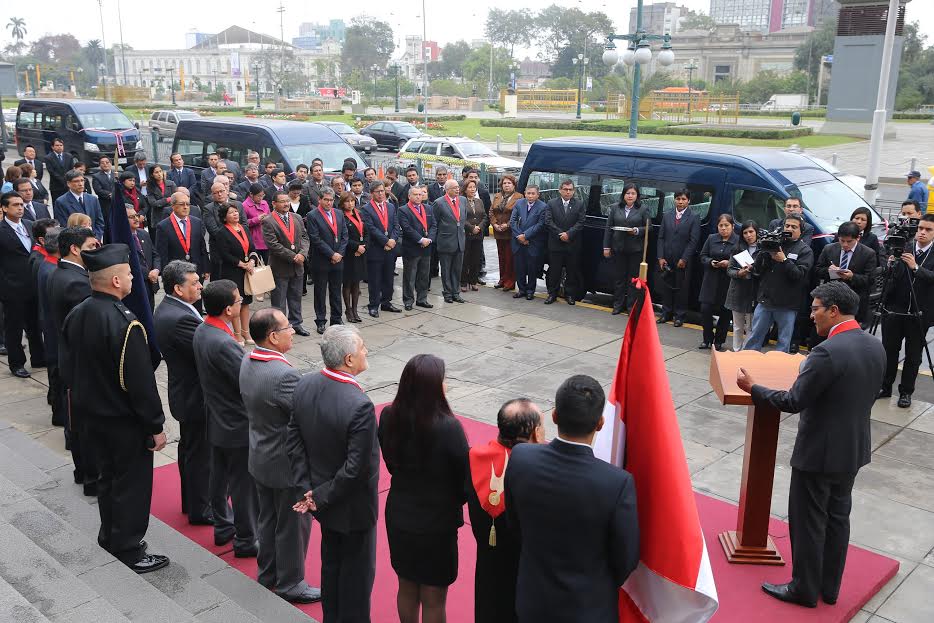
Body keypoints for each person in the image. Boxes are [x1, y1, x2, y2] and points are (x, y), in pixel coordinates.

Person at [736, 281, 885, 608]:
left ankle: (803, 588)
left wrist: (754, 388)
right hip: (853, 449)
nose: (811, 314)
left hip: (819, 453)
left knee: (809, 522)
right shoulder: (875, 346)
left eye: (816, 308)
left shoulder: (826, 352)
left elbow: (793, 401)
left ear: (834, 310)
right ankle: (829, 588)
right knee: (837, 519)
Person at [61, 243, 169, 574]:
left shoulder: (78, 312)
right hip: (123, 422)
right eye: (129, 274)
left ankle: (109, 535)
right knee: (131, 485)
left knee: (107, 479)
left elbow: (67, 368)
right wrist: (155, 425)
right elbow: (140, 384)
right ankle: (129, 548)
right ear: (116, 281)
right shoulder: (126, 323)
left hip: (91, 417)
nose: (134, 278)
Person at [505, 375, 639, 622]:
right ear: (600, 423)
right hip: (588, 609)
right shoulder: (616, 483)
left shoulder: (521, 457)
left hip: (534, 601)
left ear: (554, 416)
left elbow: (514, 525)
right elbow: (626, 559)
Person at [290, 325, 379, 623]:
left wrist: (308, 490)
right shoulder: (359, 404)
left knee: (331, 568)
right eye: (363, 347)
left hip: (321, 500)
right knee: (356, 579)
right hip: (350, 507)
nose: (367, 351)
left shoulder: (305, 383)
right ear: (349, 359)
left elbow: (293, 440)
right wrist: (319, 496)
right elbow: (358, 467)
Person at [379, 354, 469, 623]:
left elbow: (390, 462)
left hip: (400, 514)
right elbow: (465, 479)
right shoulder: (449, 427)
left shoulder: (389, 415)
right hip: (436, 523)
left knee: (406, 585)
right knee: (433, 596)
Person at [239, 309, 321, 604]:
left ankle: (269, 574)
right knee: (292, 526)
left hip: (261, 456)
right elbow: (307, 416)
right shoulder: (283, 374)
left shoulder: (248, 359)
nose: (293, 331)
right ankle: (291, 583)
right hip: (285, 465)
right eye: (288, 327)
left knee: (268, 520)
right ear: (273, 337)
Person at [192, 279, 259, 557]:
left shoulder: (204, 329)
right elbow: (246, 381)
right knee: (242, 486)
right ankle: (246, 539)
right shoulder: (222, 342)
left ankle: (223, 526)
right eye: (238, 299)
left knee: (219, 477)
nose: (242, 302)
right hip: (235, 422)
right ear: (228, 309)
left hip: (217, 417)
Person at [467, 398, 544, 623]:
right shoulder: (541, 470)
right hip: (526, 568)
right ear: (535, 432)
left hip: (489, 561)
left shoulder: (472, 457)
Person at [152, 260, 212, 525]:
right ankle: (201, 509)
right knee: (199, 455)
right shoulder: (179, 318)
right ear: (178, 288)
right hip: (195, 395)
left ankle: (192, 502)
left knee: (190, 449)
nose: (200, 286)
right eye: (194, 283)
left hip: (187, 392)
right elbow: (208, 351)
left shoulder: (172, 308)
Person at [48, 226, 99, 492]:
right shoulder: (77, 282)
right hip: (82, 364)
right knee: (86, 425)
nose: (95, 252)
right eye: (91, 247)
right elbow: (87, 329)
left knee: (78, 422)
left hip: (70, 359)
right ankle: (91, 478)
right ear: (75, 249)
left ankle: (83, 472)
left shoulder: (62, 272)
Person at [877, 213, 934, 408]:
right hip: (894, 309)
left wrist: (916, 267)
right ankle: (885, 386)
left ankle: (906, 392)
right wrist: (891, 264)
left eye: (928, 230)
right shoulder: (904, 246)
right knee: (889, 351)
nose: (922, 232)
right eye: (920, 228)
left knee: (913, 356)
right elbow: (888, 275)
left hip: (920, 313)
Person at [743, 215, 814, 353]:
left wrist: (785, 260)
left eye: (794, 227)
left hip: (787, 305)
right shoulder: (774, 243)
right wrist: (762, 253)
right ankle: (747, 362)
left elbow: (799, 275)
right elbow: (759, 269)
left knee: (783, 342)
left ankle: (779, 366)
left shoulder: (805, 250)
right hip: (765, 301)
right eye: (787, 226)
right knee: (754, 337)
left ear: (801, 231)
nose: (789, 229)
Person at [0, 191, 45, 378]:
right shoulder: (2, 230)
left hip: (33, 284)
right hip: (12, 288)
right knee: (14, 328)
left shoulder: (28, 225)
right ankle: (17, 363)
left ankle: (39, 357)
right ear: (4, 208)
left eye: (21, 204)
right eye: (15, 205)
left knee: (35, 325)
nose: (20, 208)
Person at [263, 190, 311, 335]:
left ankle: (296, 323)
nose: (286, 204)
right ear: (274, 203)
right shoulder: (268, 221)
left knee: (296, 297)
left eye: (287, 201)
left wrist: (302, 254)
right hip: (280, 266)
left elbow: (305, 237)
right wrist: (293, 256)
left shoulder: (296, 217)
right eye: (282, 201)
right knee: (279, 300)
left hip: (298, 265)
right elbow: (273, 244)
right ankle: (280, 327)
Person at [816, 221, 877, 329]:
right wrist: (829, 271)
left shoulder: (868, 253)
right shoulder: (829, 249)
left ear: (858, 238)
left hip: (854, 301)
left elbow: (870, 280)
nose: (845, 244)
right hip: (831, 299)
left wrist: (852, 277)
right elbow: (817, 270)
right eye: (842, 240)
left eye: (849, 241)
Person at [154, 192, 209, 310]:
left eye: (188, 204)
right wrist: (165, 275)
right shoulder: (163, 226)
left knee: (196, 303)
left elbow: (202, 247)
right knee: (180, 305)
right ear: (173, 206)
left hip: (195, 270)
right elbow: (162, 253)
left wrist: (206, 268)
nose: (185, 207)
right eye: (181, 204)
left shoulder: (196, 222)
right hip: (177, 274)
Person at [213, 203, 257, 345]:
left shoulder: (244, 228)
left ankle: (246, 331)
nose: (235, 214)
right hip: (232, 271)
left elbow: (252, 248)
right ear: (224, 217)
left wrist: (251, 261)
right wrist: (242, 264)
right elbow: (224, 254)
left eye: (236, 211)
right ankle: (237, 334)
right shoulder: (222, 232)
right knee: (236, 303)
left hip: (247, 271)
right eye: (231, 212)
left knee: (246, 303)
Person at [656, 189, 701, 325]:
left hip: (683, 259)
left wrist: (684, 258)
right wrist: (660, 257)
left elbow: (693, 240)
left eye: (683, 199)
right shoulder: (667, 215)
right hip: (667, 258)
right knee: (666, 286)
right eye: (678, 199)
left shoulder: (694, 217)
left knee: (682, 288)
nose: (680, 202)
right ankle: (666, 313)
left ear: (689, 201)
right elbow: (661, 237)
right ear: (674, 199)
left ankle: (680, 315)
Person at [603, 184, 649, 315]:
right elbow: (609, 228)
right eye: (628, 193)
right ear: (623, 195)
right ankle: (617, 305)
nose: (630, 196)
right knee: (619, 278)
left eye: (633, 193)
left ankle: (631, 307)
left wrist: (637, 230)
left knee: (633, 279)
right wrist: (606, 247)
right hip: (618, 248)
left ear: (637, 196)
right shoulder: (615, 208)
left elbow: (649, 227)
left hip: (635, 250)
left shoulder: (643, 209)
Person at [307, 188, 348, 333]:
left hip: (338, 259)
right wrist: (331, 254)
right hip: (321, 260)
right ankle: (320, 320)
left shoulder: (339, 213)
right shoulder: (312, 215)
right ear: (320, 200)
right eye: (326, 200)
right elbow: (315, 239)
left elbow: (344, 236)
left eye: (331, 200)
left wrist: (340, 254)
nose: (329, 203)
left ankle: (336, 318)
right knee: (320, 292)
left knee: (336, 290)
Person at [360, 181, 402, 317]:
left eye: (382, 191)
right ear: (372, 193)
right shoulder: (366, 209)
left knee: (388, 278)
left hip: (390, 249)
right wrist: (385, 241)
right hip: (376, 248)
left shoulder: (390, 206)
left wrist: (393, 240)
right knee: (375, 279)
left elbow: (396, 225)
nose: (381, 194)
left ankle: (386, 302)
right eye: (377, 191)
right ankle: (373, 305)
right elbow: (370, 228)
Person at [698, 214, 739, 350]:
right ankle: (707, 339)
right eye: (721, 225)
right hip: (711, 279)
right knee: (705, 309)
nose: (723, 228)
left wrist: (729, 263)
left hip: (728, 281)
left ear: (733, 226)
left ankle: (719, 340)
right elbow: (703, 256)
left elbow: (741, 260)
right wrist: (710, 262)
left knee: (725, 312)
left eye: (726, 225)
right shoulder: (711, 238)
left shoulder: (738, 241)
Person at [36, 226, 63, 425]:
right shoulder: (52, 270)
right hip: (55, 330)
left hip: (51, 327)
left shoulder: (48, 265)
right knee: (58, 375)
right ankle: (59, 414)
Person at [544, 179, 586, 305]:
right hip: (556, 244)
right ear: (560, 190)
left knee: (572, 271)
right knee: (554, 271)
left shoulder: (579, 204)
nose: (568, 192)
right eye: (565, 189)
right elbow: (548, 221)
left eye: (570, 190)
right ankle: (552, 294)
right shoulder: (551, 203)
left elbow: (581, 222)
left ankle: (570, 295)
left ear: (573, 191)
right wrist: (560, 234)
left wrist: (569, 234)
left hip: (572, 244)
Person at [399, 186, 436, 311]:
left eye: (420, 194)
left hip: (426, 247)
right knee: (410, 276)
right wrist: (421, 239)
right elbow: (407, 228)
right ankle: (408, 300)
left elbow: (434, 225)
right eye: (415, 194)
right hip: (412, 248)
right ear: (409, 196)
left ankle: (422, 299)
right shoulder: (403, 210)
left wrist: (429, 239)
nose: (418, 197)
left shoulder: (428, 208)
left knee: (424, 276)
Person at [508, 185, 547, 302]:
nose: (530, 196)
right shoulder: (519, 203)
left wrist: (525, 235)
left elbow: (540, 225)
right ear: (525, 193)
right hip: (518, 241)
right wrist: (520, 236)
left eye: (533, 193)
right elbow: (513, 221)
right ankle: (521, 290)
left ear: (538, 195)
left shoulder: (543, 207)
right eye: (528, 193)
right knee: (519, 267)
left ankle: (530, 291)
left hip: (532, 242)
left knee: (532, 268)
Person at [725, 221, 760, 351]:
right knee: (737, 326)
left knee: (751, 327)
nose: (748, 235)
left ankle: (747, 351)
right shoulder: (737, 248)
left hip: (754, 291)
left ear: (756, 232)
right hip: (738, 290)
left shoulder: (762, 249)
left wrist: (753, 270)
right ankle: (737, 350)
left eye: (751, 232)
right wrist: (739, 273)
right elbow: (729, 270)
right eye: (745, 233)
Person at [339, 190, 368, 324]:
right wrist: (356, 247)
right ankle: (348, 309)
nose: (350, 204)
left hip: (360, 253)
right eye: (347, 201)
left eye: (352, 201)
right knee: (347, 283)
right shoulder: (341, 217)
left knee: (356, 283)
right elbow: (343, 236)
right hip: (349, 253)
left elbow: (366, 232)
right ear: (342, 203)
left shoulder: (359, 214)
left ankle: (355, 310)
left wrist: (364, 246)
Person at [489, 176, 521, 292]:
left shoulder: (519, 197)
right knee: (501, 257)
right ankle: (502, 279)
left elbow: (518, 215)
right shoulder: (497, 196)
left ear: (514, 185)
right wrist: (494, 224)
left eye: (509, 183)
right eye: (504, 183)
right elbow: (491, 211)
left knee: (509, 258)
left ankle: (510, 281)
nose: (506, 185)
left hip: (510, 232)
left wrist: (507, 225)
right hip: (498, 231)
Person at [54, 170, 105, 239]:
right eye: (76, 181)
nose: (80, 184)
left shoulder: (93, 199)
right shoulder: (61, 202)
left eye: (82, 180)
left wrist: (96, 237)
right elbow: (64, 225)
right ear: (68, 183)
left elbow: (99, 222)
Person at [127, 205, 159, 310]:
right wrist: (148, 274)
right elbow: (128, 262)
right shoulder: (122, 239)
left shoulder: (144, 233)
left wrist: (156, 270)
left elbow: (155, 255)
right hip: (135, 286)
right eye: (131, 217)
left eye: (136, 215)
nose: (136, 219)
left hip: (151, 284)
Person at [461, 179, 488, 293]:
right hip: (466, 234)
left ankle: (473, 281)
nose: (472, 189)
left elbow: (485, 216)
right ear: (465, 189)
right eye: (470, 187)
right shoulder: (461, 201)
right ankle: (463, 282)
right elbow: (461, 217)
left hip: (478, 235)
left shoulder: (479, 201)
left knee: (476, 259)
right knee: (465, 259)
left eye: (474, 187)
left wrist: (479, 227)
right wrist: (472, 228)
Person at [43, 137, 77, 203]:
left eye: (61, 145)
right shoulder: (48, 158)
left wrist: (68, 180)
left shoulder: (69, 156)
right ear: (52, 147)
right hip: (56, 186)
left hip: (68, 186)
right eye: (57, 145)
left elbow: (71, 169)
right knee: (57, 203)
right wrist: (63, 180)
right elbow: (52, 172)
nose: (59, 147)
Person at [243, 183, 271, 263]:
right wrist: (256, 219)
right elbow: (243, 223)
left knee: (269, 264)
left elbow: (270, 216)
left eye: (262, 195)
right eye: (259, 196)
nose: (261, 198)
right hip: (254, 239)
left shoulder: (264, 203)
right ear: (251, 194)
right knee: (255, 265)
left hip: (266, 237)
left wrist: (267, 218)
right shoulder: (244, 205)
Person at [91, 157, 117, 228]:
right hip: (105, 204)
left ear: (111, 163)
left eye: (107, 162)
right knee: (107, 224)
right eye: (102, 163)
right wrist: (110, 194)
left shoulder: (117, 174)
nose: (105, 164)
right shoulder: (96, 176)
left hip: (117, 202)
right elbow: (98, 190)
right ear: (100, 165)